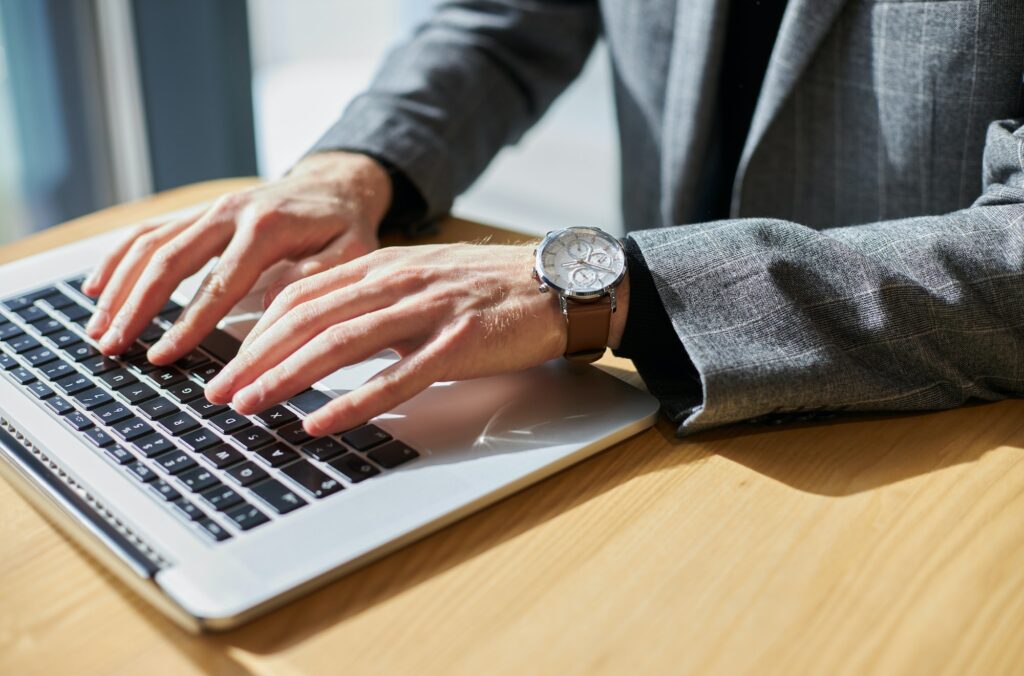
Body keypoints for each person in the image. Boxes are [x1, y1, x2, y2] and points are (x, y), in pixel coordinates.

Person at [82, 1, 1024, 438]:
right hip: (649, 409)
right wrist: (355, 167)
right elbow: (506, 15)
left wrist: (621, 289)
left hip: (929, 441)